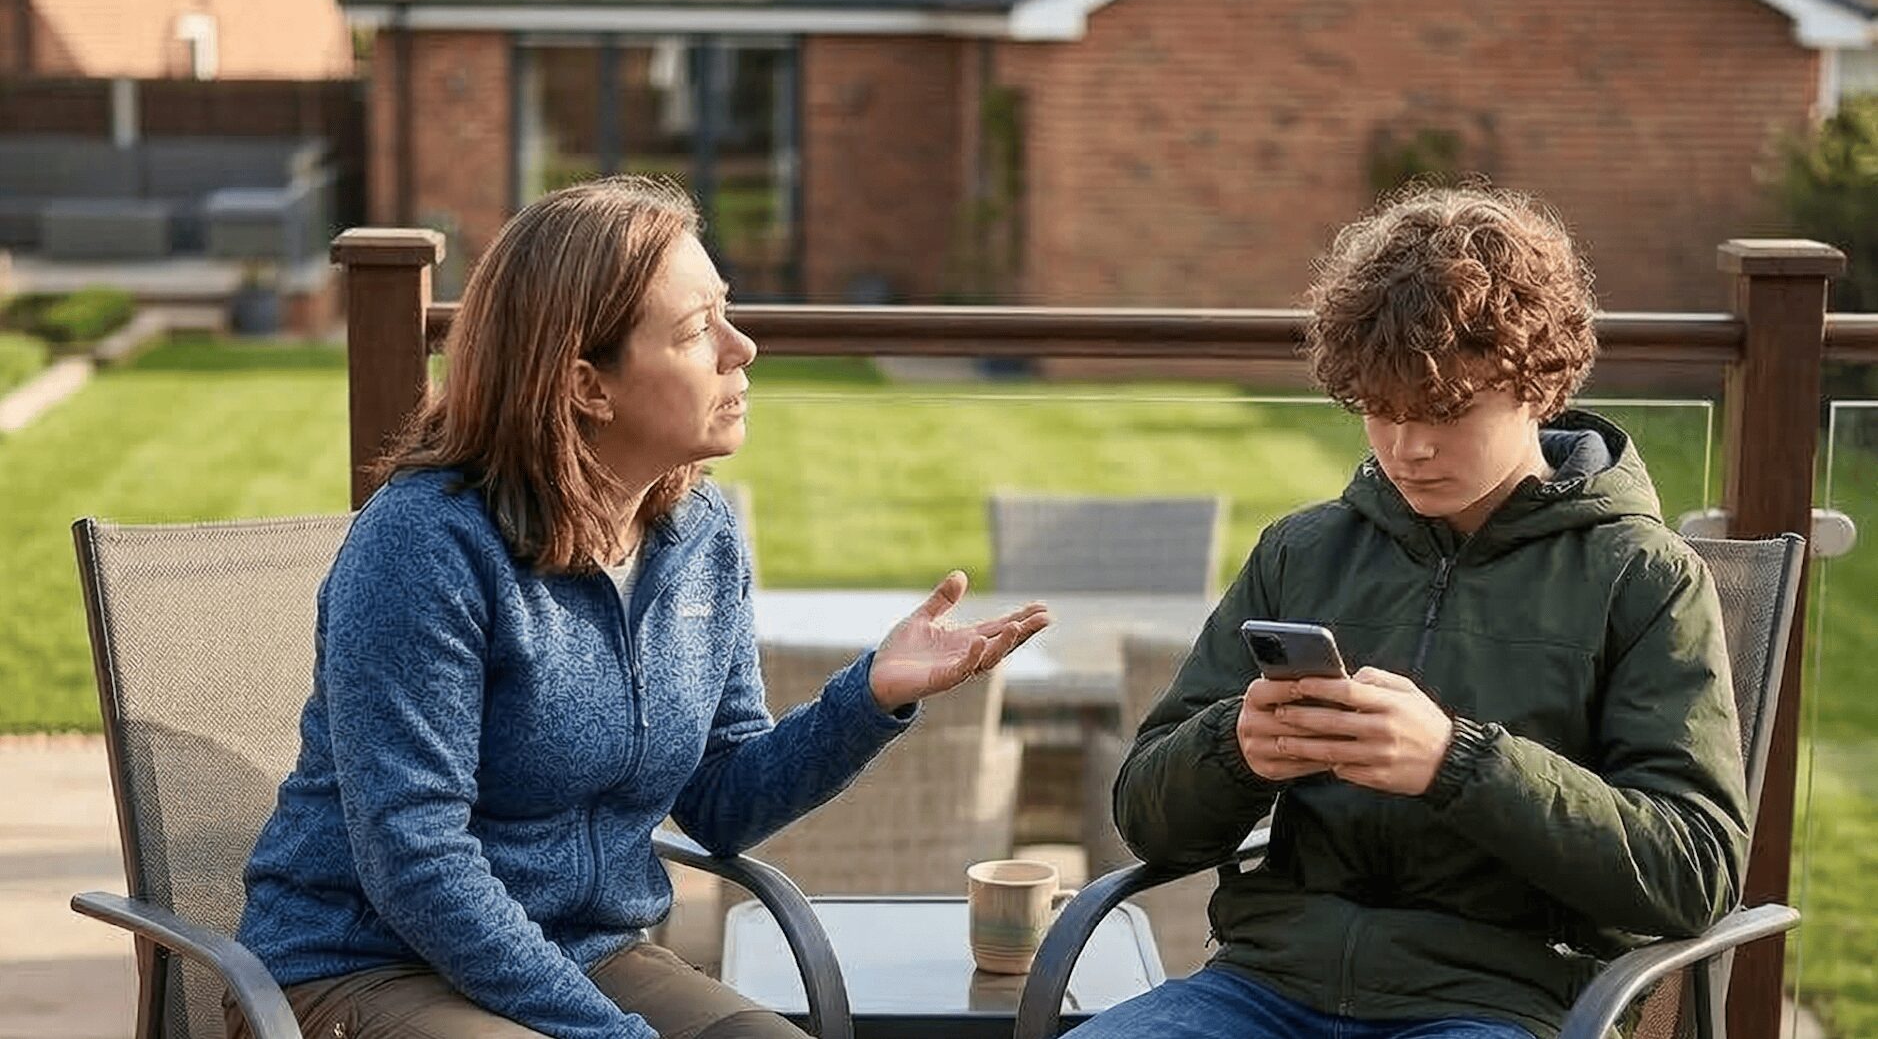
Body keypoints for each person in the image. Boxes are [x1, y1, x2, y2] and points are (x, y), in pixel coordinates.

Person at [229, 177, 1051, 1039]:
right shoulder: (426, 547)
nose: (743, 349)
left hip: (587, 952)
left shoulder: (701, 537)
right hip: (363, 967)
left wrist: (870, 696)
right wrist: (609, 1034)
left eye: (726, 314)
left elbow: (723, 800)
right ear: (587, 384)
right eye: (699, 331)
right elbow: (415, 859)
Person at [1071, 186, 1748, 1039]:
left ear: (1537, 385)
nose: (1407, 448)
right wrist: (1234, 748)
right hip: (1266, 989)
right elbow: (1145, 818)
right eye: (1380, 412)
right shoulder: (1303, 552)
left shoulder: (1643, 578)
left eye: (1446, 412)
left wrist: (1456, 763)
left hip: (1500, 1005)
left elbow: (1695, 871)